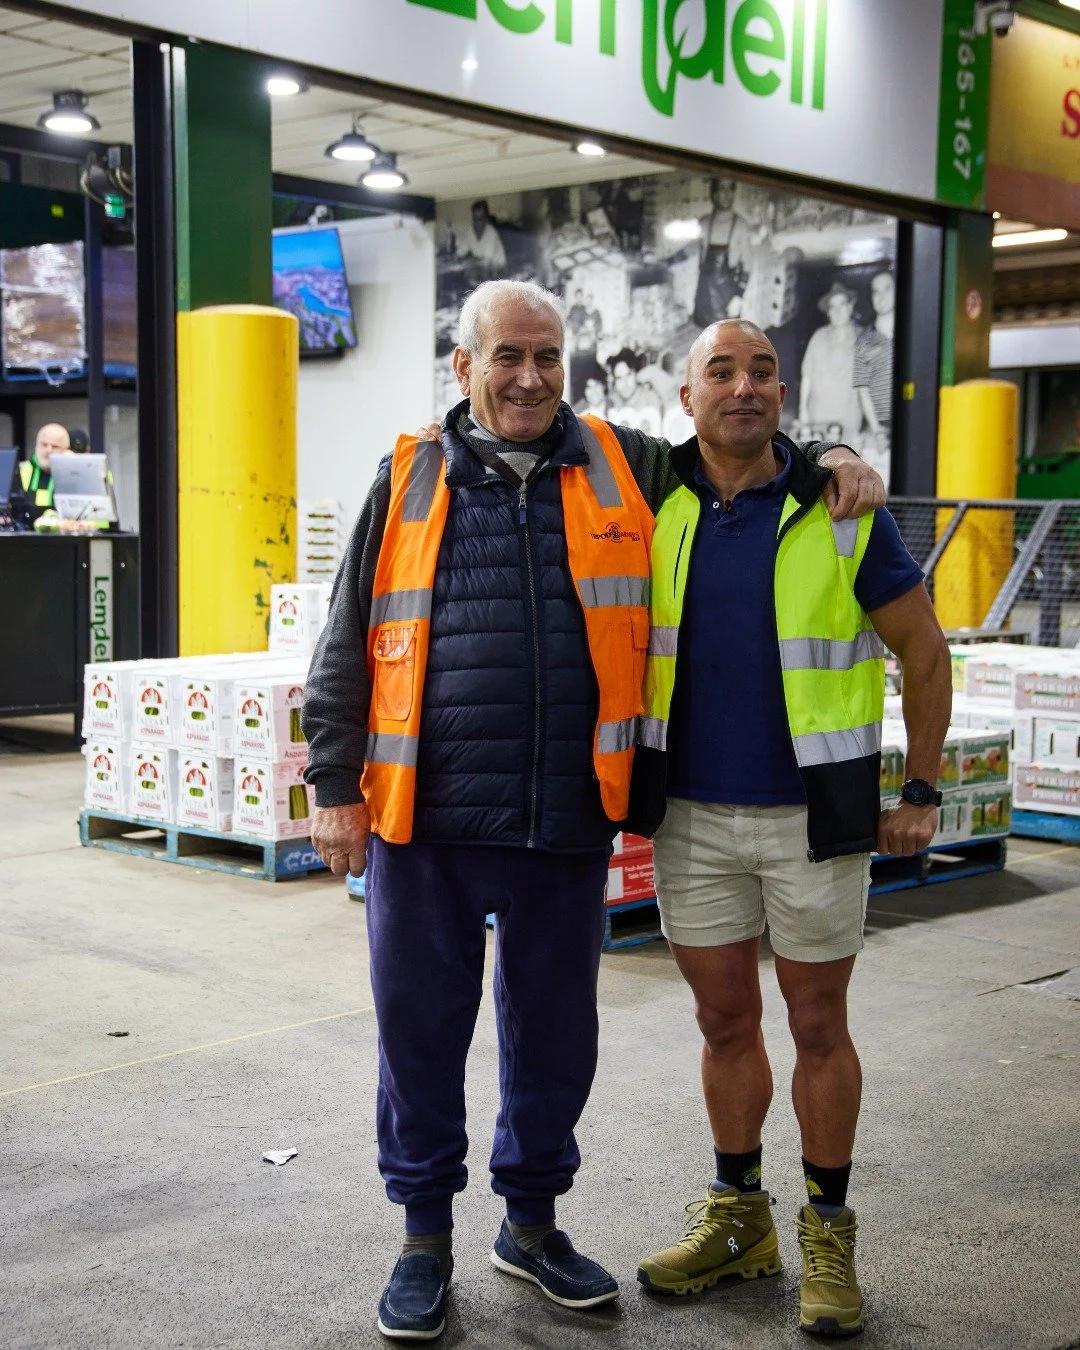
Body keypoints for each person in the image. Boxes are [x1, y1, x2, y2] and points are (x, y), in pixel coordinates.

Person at [301, 281, 884, 1343]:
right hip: (423, 821)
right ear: (464, 366)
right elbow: (345, 638)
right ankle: (423, 1240)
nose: (531, 378)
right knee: (420, 1038)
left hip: (567, 819)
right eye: (508, 356)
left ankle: (531, 1226)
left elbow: (739, 443)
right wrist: (334, 788)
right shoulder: (407, 475)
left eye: (548, 357)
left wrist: (832, 455)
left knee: (556, 1040)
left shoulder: (625, 461)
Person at [629, 320, 952, 1337]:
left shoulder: (841, 510)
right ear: (686, 397)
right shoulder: (650, 501)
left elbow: (925, 651)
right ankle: (740, 1219)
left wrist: (922, 791)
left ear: (783, 394)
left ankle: (828, 1230)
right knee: (723, 1024)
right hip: (690, 816)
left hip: (815, 818)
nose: (744, 386)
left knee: (817, 1026)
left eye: (762, 371)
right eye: (721, 371)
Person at [799, 283, 864, 444]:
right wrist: (803, 410)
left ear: (850, 307)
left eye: (842, 304)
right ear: (828, 312)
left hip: (848, 420)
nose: (838, 311)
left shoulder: (863, 337)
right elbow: (807, 376)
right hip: (818, 418)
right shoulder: (818, 336)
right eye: (833, 307)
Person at [854, 271, 896, 444]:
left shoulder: (914, 332)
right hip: (880, 426)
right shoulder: (863, 340)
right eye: (876, 291)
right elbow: (862, 389)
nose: (881, 296)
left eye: (887, 289)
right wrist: (876, 429)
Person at [16, 422, 69, 522]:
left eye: (55, 446)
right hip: (26, 529)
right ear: (36, 446)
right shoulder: (22, 470)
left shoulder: (73, 475)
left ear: (66, 450)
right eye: (44, 444)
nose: (48, 450)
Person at [455, 198, 508, 274]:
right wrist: (456, 256)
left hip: (498, 269)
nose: (476, 223)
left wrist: (469, 262)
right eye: (474, 219)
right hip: (481, 267)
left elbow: (486, 260)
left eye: (479, 219)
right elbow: (463, 248)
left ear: (486, 219)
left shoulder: (491, 233)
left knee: (470, 270)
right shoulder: (471, 231)